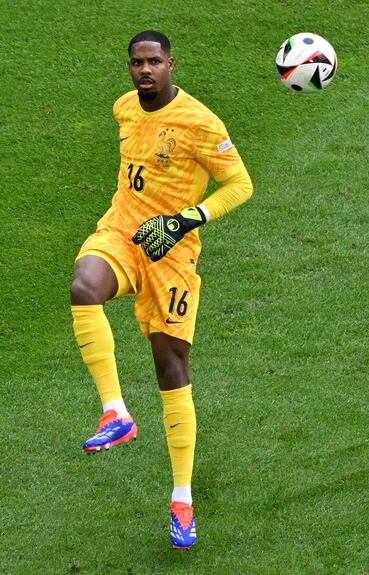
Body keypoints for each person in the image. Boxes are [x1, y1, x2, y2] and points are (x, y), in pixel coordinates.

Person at [70, 30, 252, 549]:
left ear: (171, 64)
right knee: (85, 286)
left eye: (153, 62)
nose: (144, 70)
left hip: (171, 255)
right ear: (129, 68)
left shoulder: (200, 123)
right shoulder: (125, 109)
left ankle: (182, 501)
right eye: (136, 63)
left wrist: (187, 219)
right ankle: (116, 413)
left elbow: (241, 185)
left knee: (171, 368)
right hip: (123, 234)